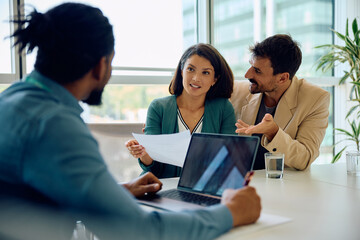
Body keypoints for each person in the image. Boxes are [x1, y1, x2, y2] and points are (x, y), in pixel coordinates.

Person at [0, 3, 261, 240]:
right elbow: (141, 231)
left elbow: (37, 195)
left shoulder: (14, 101)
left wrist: (120, 191)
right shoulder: (55, 125)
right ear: (101, 66)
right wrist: (231, 212)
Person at [126, 43, 236, 178]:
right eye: (191, 69)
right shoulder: (158, 107)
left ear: (215, 79)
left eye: (205, 72)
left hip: (205, 187)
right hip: (163, 186)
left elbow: (228, 159)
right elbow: (153, 167)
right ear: (181, 71)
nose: (196, 78)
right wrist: (143, 153)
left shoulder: (224, 108)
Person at [231, 34, 330, 171]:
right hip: (241, 183)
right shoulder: (237, 91)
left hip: (282, 186)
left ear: (283, 78)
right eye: (251, 66)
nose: (247, 75)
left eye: (257, 71)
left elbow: (305, 158)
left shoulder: (315, 99)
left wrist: (273, 132)